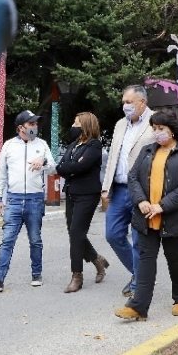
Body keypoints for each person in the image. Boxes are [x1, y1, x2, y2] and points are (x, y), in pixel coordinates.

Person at [114, 110, 178, 321]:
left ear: (173, 130)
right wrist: (142, 201)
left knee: (174, 259)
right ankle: (138, 307)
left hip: (172, 216)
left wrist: (161, 206)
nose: (157, 133)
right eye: (154, 129)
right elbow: (133, 177)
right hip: (146, 216)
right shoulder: (147, 150)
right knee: (145, 260)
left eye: (161, 129)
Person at [0, 110, 56, 292]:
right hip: (14, 199)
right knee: (7, 240)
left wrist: (44, 160)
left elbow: (53, 169)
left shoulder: (42, 145)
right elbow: (0, 174)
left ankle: (36, 274)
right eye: (31, 124)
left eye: (36, 124)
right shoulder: (8, 146)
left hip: (35, 199)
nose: (35, 127)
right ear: (20, 127)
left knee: (35, 239)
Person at [101, 85, 156, 298]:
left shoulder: (155, 123)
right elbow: (113, 157)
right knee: (113, 235)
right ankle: (139, 274)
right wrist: (106, 186)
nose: (125, 106)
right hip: (119, 190)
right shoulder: (119, 125)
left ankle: (138, 286)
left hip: (142, 191)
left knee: (138, 239)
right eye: (123, 102)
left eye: (129, 102)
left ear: (142, 102)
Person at [56, 112, 109, 293]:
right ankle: (97, 260)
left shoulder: (94, 146)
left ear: (86, 125)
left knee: (76, 233)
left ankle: (76, 276)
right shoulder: (73, 145)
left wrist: (71, 169)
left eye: (77, 122)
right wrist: (70, 169)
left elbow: (80, 166)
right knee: (74, 233)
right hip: (72, 193)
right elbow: (61, 167)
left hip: (87, 195)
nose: (73, 125)